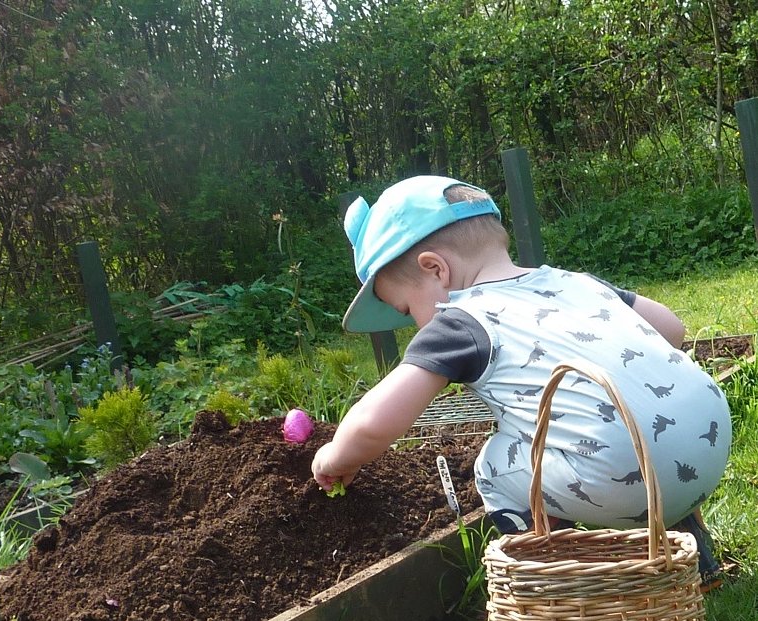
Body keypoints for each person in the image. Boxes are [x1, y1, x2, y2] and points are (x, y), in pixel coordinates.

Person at [311, 175, 731, 589]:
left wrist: (335, 457)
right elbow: (672, 329)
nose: (413, 323)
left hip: (627, 481)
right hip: (708, 444)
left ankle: (557, 591)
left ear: (436, 269)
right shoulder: (573, 282)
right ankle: (698, 564)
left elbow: (372, 423)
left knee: (495, 466)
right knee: (637, 419)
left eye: (406, 309)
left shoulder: (459, 321)